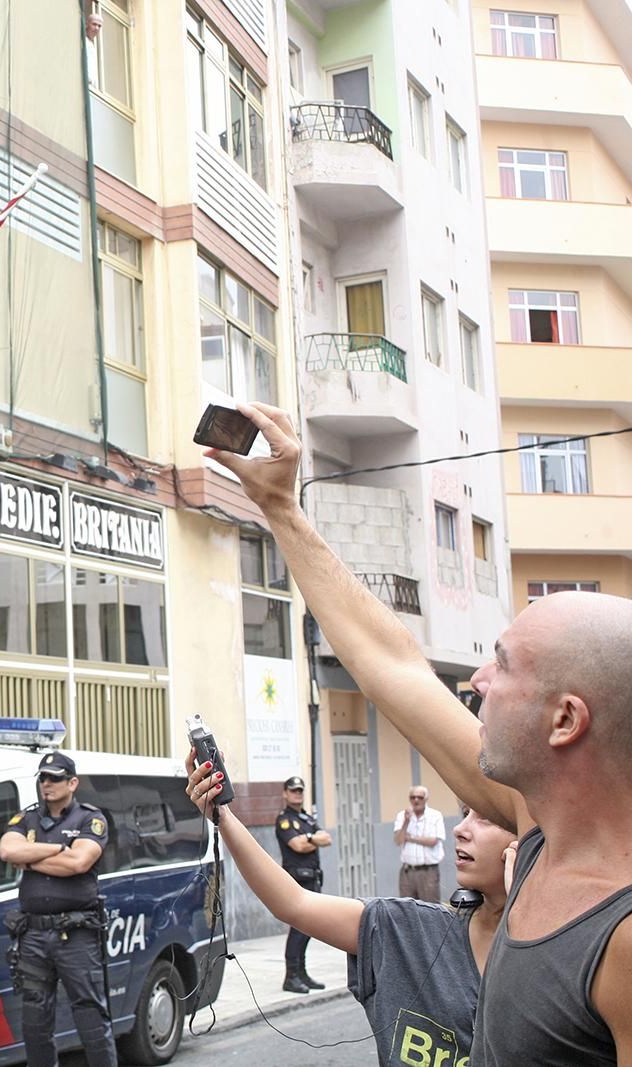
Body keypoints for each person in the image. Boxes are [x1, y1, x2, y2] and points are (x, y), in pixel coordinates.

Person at [210, 401, 632, 1065]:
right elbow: (395, 666)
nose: (478, 681)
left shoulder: (620, 934)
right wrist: (281, 507)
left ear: (565, 720)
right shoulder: (538, 832)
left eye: (503, 665)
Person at [186, 759, 516, 1066]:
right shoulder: (408, 929)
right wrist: (222, 815)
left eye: (486, 817)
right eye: (465, 812)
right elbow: (294, 903)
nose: (461, 828)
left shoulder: (548, 966)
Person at [0, 751, 117, 1067]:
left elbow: (79, 862)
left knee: (91, 1017)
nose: (47, 783)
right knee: (35, 1020)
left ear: (72, 783)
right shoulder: (27, 818)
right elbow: (7, 850)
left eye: (55, 778)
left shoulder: (90, 819)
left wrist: (29, 859)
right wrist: (58, 849)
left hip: (76, 935)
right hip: (34, 934)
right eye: (43, 778)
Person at [274, 774, 332, 993]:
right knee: (299, 928)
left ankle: (302, 973)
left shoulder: (306, 818)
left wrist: (307, 839)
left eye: (300, 791)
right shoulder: (284, 820)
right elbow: (297, 846)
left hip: (313, 878)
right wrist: (312, 839)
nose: (297, 794)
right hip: (297, 880)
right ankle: (291, 976)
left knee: (309, 928)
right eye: (293, 791)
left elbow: (327, 839)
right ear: (285, 793)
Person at [394, 786, 445, 903]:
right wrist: (406, 821)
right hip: (407, 871)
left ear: (426, 799)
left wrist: (410, 838)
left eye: (419, 797)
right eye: (413, 797)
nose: (416, 800)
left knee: (430, 907)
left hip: (428, 871)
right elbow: (398, 840)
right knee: (407, 908)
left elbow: (433, 841)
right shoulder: (402, 815)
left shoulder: (435, 815)